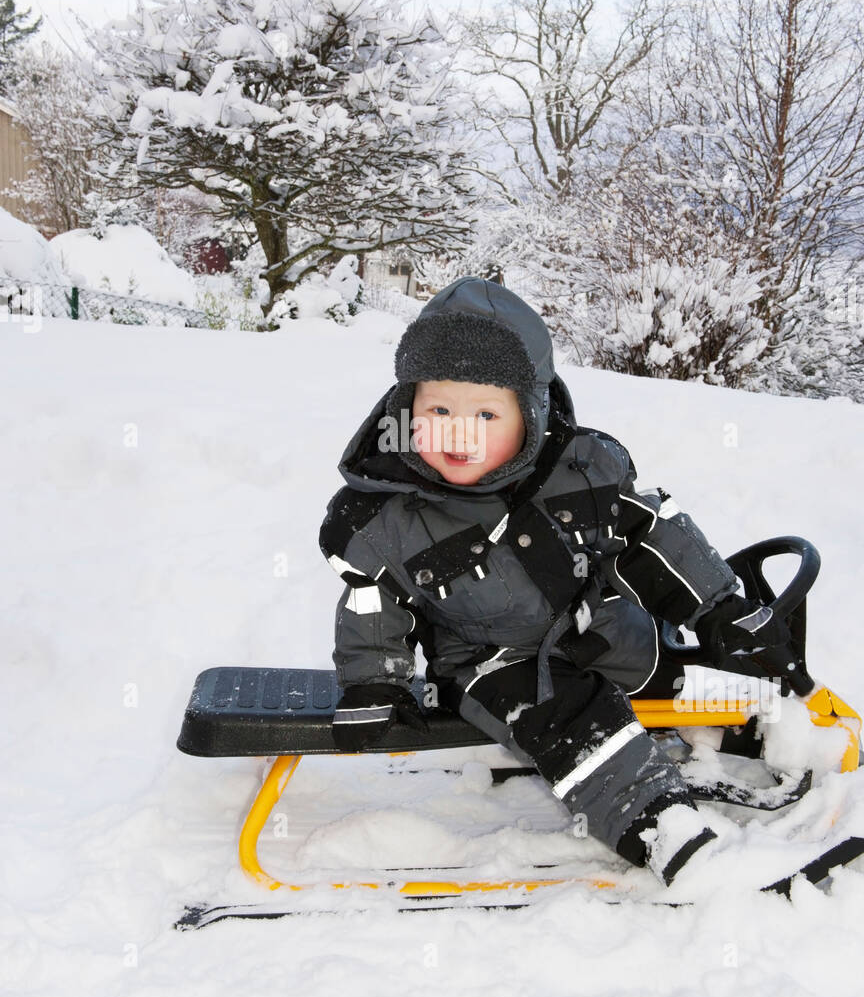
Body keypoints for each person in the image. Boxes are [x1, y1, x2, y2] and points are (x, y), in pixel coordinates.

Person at [318, 277, 795, 888]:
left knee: (662, 672)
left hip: (601, 625)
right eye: (439, 410)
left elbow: (653, 537)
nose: (459, 434)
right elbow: (371, 605)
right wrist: (371, 683)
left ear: (531, 413)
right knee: (565, 717)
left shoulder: (580, 470)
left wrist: (718, 606)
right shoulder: (384, 517)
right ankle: (660, 827)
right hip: (491, 658)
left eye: (486, 413)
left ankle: (740, 726)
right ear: (406, 409)